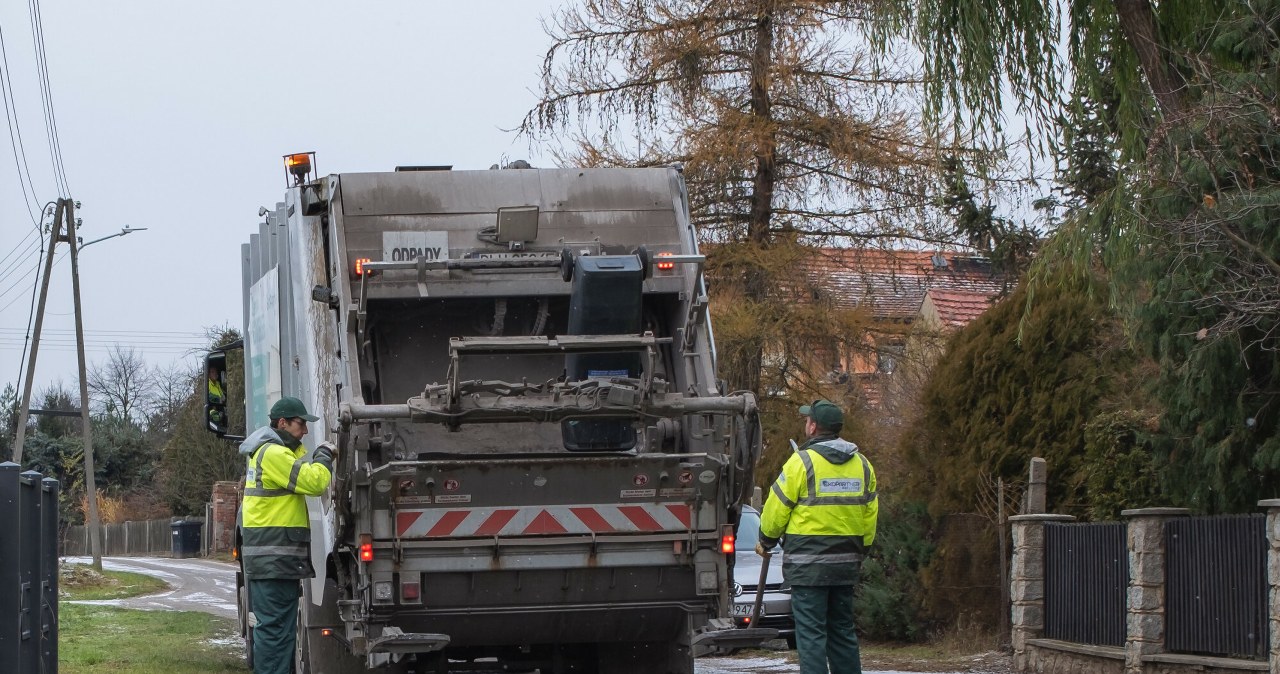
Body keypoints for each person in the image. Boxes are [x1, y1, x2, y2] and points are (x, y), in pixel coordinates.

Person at [757, 400, 878, 674]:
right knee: (843, 631)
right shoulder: (863, 465)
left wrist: (766, 540)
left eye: (806, 420)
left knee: (811, 635)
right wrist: (860, 552)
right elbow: (870, 517)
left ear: (813, 427)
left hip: (807, 566)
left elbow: (776, 508)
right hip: (846, 564)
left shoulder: (801, 462)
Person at [239, 396, 336, 674]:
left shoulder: (269, 452)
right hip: (275, 562)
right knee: (275, 633)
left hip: (271, 562)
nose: (304, 431)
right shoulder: (273, 453)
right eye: (300, 424)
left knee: (276, 632)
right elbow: (313, 481)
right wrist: (324, 455)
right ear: (282, 423)